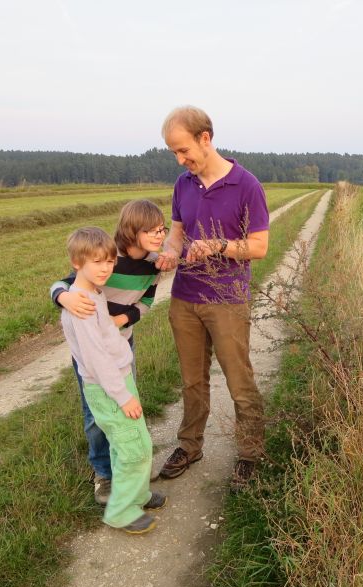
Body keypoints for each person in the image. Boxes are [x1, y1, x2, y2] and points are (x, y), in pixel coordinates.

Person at [156, 105, 269, 491]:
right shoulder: (182, 184)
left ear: (206, 138)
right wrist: (171, 251)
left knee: (239, 381)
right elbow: (177, 231)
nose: (180, 159)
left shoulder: (246, 185)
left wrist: (219, 245)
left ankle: (251, 455)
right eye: (173, 152)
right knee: (191, 380)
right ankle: (189, 447)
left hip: (227, 299)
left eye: (183, 149)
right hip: (185, 296)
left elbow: (259, 247)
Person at [50, 200, 166, 505]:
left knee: (127, 403)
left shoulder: (155, 266)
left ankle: (129, 468)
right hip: (92, 351)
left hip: (122, 343)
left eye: (162, 229)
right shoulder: (107, 257)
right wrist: (62, 297)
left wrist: (121, 320)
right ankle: (103, 473)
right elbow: (66, 282)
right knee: (96, 412)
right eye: (152, 230)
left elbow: (146, 303)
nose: (160, 235)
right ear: (132, 231)